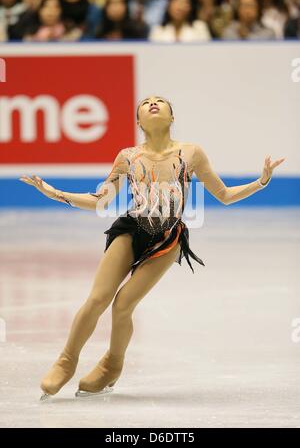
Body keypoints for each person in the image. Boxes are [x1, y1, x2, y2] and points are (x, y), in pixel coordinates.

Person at [19, 95, 285, 399]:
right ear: (138, 121)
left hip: (167, 239)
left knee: (123, 305)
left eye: (160, 101)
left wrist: (261, 182)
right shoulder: (128, 156)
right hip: (131, 230)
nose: (153, 103)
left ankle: (111, 365)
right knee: (98, 298)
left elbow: (223, 194)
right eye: (146, 102)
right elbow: (100, 201)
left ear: (172, 117)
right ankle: (66, 361)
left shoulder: (192, 153)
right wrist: (56, 193)